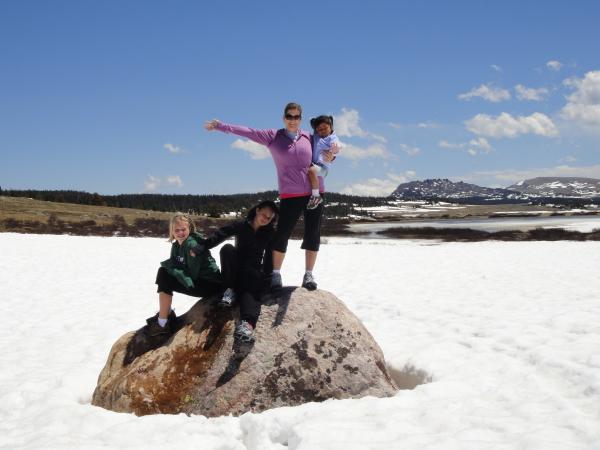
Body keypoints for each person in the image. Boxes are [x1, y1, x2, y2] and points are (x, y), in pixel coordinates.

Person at [205, 102, 333, 292]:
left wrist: (331, 157)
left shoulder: (309, 136)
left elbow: (325, 150)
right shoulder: (273, 136)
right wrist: (222, 126)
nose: (292, 120)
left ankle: (308, 274)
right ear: (284, 118)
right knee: (281, 234)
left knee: (313, 233)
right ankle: (275, 273)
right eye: (289, 116)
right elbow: (249, 131)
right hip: (290, 194)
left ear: (300, 119)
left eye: (296, 117)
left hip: (315, 192)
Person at [192, 200, 278, 343]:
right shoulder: (241, 225)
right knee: (227, 249)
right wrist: (203, 246)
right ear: (257, 210)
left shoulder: (269, 233)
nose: (265, 219)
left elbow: (269, 256)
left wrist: (268, 277)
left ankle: (247, 325)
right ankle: (229, 291)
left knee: (250, 292)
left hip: (252, 271)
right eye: (264, 214)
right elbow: (221, 234)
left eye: (269, 218)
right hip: (235, 269)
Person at [145, 213, 223, 337]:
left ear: (189, 229)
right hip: (198, 280)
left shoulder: (192, 245)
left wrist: (171, 266)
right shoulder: (176, 245)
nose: (180, 233)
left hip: (210, 285)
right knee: (164, 273)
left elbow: (191, 274)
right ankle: (166, 314)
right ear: (172, 231)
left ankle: (162, 323)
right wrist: (171, 266)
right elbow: (176, 266)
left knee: (164, 274)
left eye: (183, 229)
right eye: (177, 230)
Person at [306, 115, 341, 210]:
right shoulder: (317, 135)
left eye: (325, 128)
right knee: (308, 169)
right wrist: (315, 122)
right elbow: (313, 123)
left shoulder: (332, 138)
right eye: (319, 129)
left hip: (323, 168)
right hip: (315, 164)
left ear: (331, 127)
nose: (322, 131)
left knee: (311, 170)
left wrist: (334, 152)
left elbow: (336, 148)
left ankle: (316, 196)